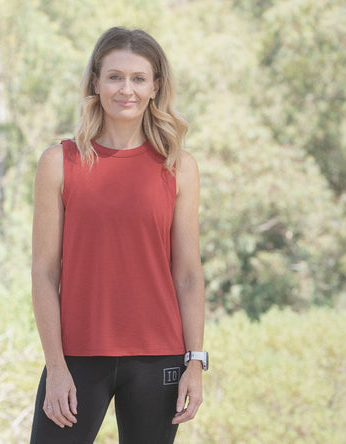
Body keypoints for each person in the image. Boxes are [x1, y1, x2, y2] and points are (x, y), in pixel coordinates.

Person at [29, 26, 207, 443]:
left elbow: (188, 274)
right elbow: (44, 273)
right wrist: (55, 366)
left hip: (158, 357)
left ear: (155, 86)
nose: (126, 89)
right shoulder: (59, 162)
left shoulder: (178, 167)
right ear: (96, 81)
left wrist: (195, 363)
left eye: (138, 78)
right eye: (114, 77)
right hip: (76, 358)